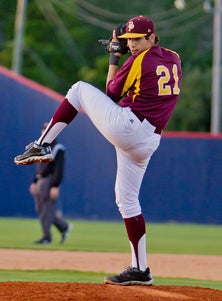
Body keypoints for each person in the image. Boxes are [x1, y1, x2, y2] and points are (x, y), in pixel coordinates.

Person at [14, 16, 182, 285]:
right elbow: (146, 81)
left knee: (79, 90)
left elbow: (111, 93)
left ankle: (42, 144)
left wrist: (115, 57)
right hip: (149, 139)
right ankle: (141, 269)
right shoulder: (173, 57)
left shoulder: (137, 61)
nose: (133, 44)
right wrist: (125, 47)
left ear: (152, 37)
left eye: (138, 39)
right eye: (129, 40)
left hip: (130, 127)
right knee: (127, 201)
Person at [29, 123, 72, 244]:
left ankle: (46, 237)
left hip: (49, 180)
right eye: (43, 130)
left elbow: (59, 169)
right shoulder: (41, 148)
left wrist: (55, 186)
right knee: (40, 209)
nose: (44, 132)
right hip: (40, 180)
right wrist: (34, 181)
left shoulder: (58, 148)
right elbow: (38, 167)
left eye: (47, 130)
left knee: (46, 209)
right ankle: (63, 227)